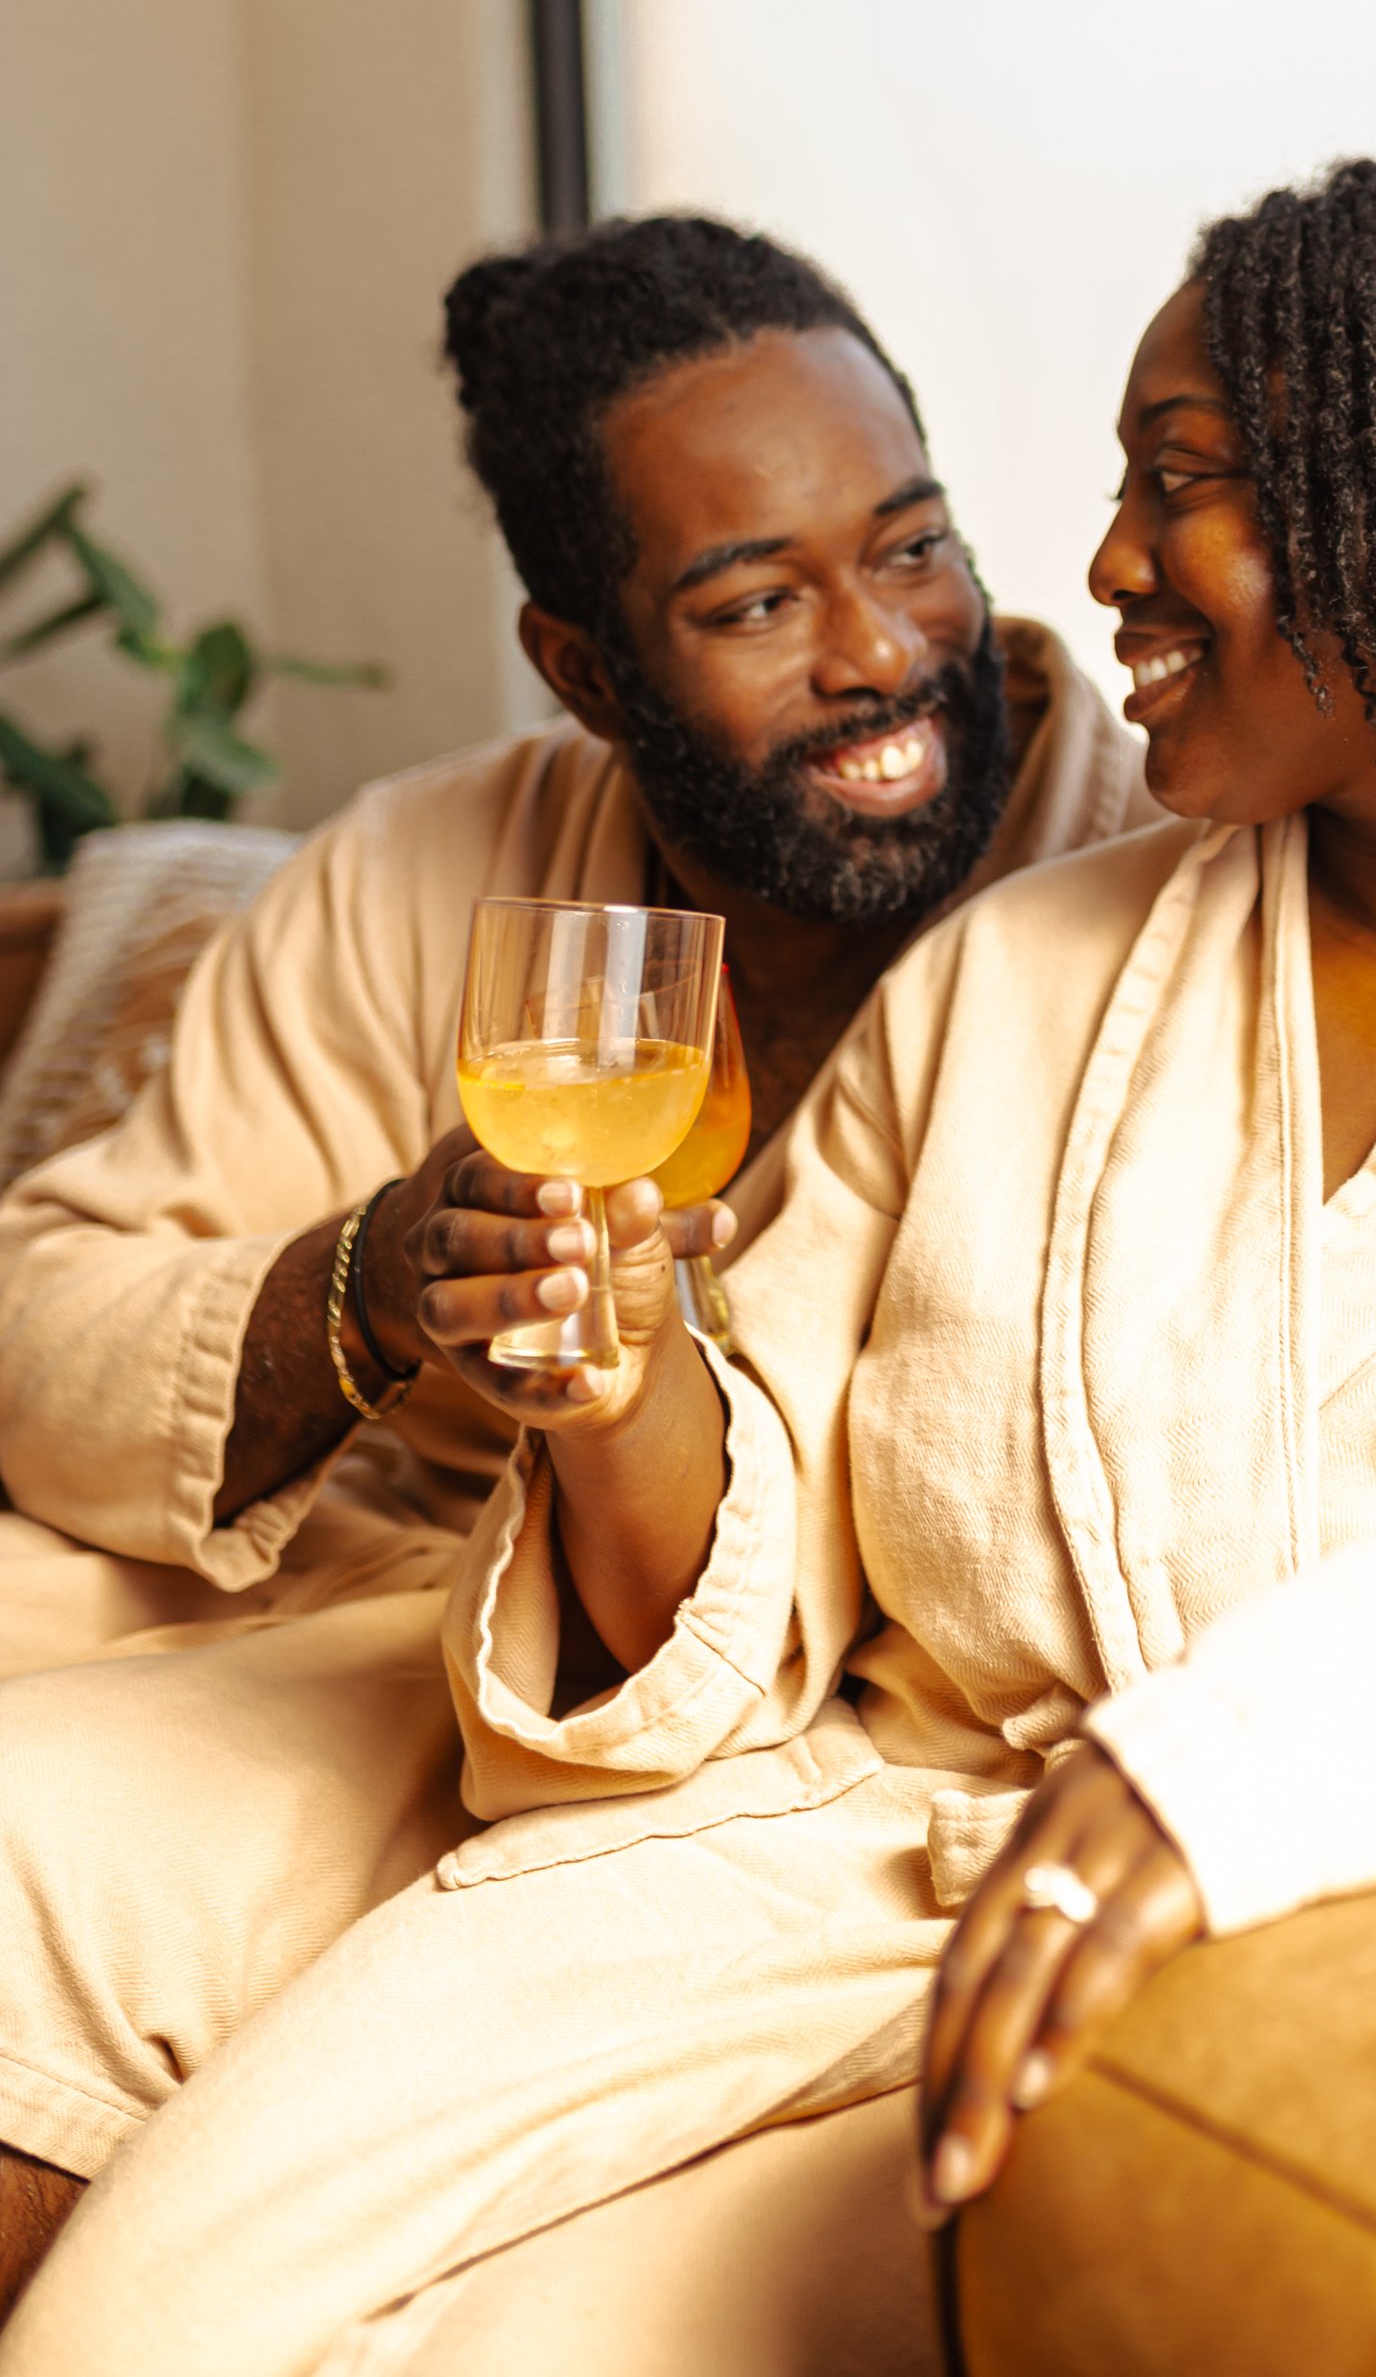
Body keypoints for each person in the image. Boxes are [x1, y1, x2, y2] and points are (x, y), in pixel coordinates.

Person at [0, 161, 1376, 2373]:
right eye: (1110, 480)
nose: (1092, 568)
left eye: (1179, 481)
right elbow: (750, 1544)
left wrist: (1238, 1767)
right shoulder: (1028, 972)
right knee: (183, 2301)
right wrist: (615, 1383)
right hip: (839, 1872)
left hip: (1332, 1918)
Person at [0, 213, 1149, 1679]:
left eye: (913, 545)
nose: (879, 650)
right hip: (405, 1606)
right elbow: (45, 1328)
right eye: (757, 603)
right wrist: (375, 1277)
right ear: (586, 671)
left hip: (863, 1692)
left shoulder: (1165, 874)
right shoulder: (406, 871)